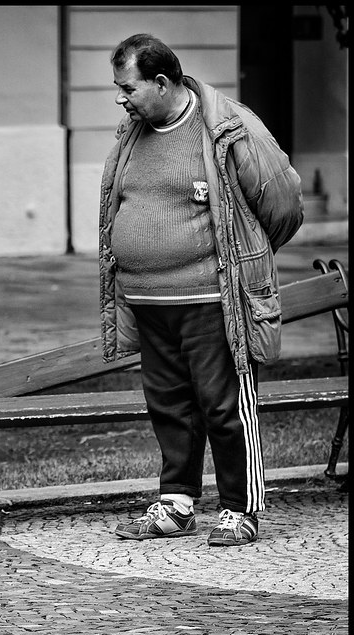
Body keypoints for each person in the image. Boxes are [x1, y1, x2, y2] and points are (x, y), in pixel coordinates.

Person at [100, 34, 304, 547]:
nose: (121, 98)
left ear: (161, 82)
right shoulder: (132, 131)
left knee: (225, 407)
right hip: (148, 302)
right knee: (169, 407)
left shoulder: (228, 127)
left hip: (212, 301)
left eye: (128, 88)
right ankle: (176, 504)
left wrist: (241, 259)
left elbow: (282, 204)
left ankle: (240, 509)